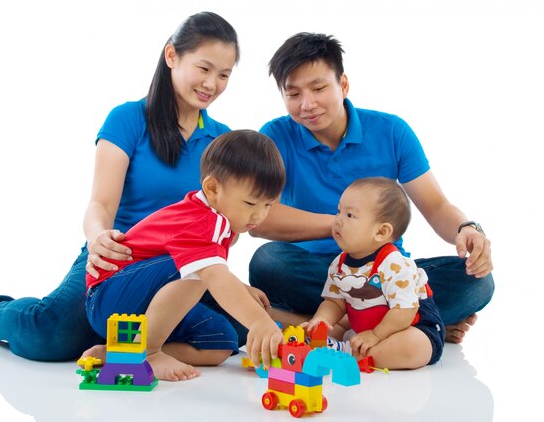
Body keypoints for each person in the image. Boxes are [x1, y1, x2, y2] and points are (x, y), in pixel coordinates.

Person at [0, 12, 240, 361]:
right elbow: (101, 202)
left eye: (224, 75)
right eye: (204, 69)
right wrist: (98, 236)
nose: (212, 84)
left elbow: (226, 222)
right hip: (120, 258)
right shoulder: (128, 119)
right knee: (50, 336)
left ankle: (127, 348)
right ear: (172, 56)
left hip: (183, 270)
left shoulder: (222, 140)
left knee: (240, 332)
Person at [249, 32, 494, 344]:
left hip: (386, 274)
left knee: (477, 280)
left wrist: (466, 229)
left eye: (319, 88)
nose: (306, 104)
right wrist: (343, 228)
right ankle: (415, 321)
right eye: (292, 94)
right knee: (268, 262)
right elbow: (259, 219)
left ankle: (325, 324)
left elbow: (435, 206)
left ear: (344, 85)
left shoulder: (391, 131)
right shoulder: (275, 136)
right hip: (316, 273)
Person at [85, 130, 285, 381]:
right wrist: (259, 322)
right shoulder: (203, 220)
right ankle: (148, 352)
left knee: (222, 344)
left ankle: (121, 352)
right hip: (110, 297)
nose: (259, 216)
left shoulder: (217, 221)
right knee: (200, 272)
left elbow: (212, 271)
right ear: (213, 189)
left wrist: (240, 289)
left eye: (268, 205)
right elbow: (211, 273)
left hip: (141, 306)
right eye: (250, 204)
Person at [303, 177, 444, 369]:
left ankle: (350, 355)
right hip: (365, 328)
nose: (338, 220)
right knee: (331, 329)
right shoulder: (339, 264)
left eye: (350, 215)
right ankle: (342, 346)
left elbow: (405, 311)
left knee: (412, 346)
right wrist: (321, 320)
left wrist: (377, 335)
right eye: (339, 211)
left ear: (381, 232)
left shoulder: (393, 264)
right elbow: (334, 302)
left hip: (411, 325)